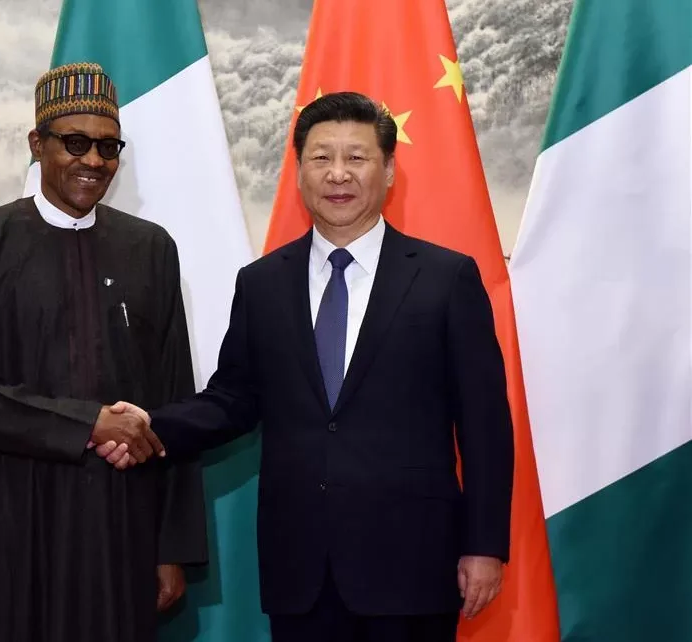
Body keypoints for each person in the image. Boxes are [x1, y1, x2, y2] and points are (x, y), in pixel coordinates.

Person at [97, 91, 515, 642]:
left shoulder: (446, 278)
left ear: (389, 170)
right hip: (302, 570)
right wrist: (147, 427)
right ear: (299, 172)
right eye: (321, 158)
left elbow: (485, 426)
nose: (338, 174)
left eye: (356, 157)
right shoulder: (263, 282)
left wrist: (484, 545)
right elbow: (232, 400)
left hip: (411, 563)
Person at [0, 62, 206, 642]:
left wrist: (172, 547)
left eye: (108, 147)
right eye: (74, 143)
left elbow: (176, 399)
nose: (94, 161)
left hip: (119, 527)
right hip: (8, 519)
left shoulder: (150, 249)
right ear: (38, 144)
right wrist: (88, 423)